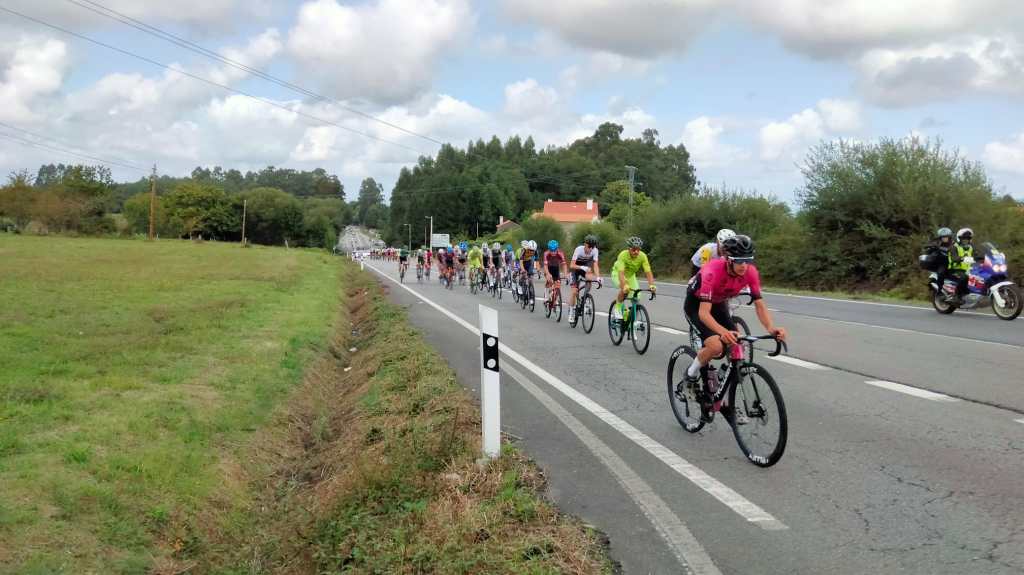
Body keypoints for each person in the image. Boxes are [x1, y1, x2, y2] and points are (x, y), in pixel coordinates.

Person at [682, 235, 787, 393]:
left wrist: (771, 328)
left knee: (737, 345)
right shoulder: (712, 270)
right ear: (728, 259)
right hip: (696, 304)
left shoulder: (750, 272)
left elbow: (759, 304)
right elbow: (704, 314)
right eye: (738, 260)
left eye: (748, 260)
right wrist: (723, 332)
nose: (744, 265)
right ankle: (690, 373)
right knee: (716, 346)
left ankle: (722, 381)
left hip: (719, 303)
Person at [611, 236, 656, 320]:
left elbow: (648, 272)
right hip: (618, 274)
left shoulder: (643, 256)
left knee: (636, 297)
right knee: (625, 290)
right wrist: (624, 285)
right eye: (634, 249)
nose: (636, 252)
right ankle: (617, 308)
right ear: (629, 249)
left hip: (631, 276)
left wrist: (652, 285)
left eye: (638, 249)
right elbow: (621, 273)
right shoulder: (623, 255)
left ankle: (632, 320)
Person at [568, 234, 601, 323]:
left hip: (584, 269)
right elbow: (572, 265)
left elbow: (595, 265)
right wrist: (582, 267)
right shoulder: (579, 249)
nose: (591, 249)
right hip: (575, 269)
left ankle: (584, 298)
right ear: (585, 245)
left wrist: (598, 277)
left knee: (590, 279)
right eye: (589, 246)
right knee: (574, 291)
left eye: (593, 247)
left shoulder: (595, 250)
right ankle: (571, 312)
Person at [947, 228, 976, 300]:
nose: (966, 241)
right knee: (964, 277)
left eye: (967, 239)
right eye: (964, 239)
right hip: (954, 270)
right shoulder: (954, 247)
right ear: (959, 239)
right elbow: (954, 258)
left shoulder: (971, 248)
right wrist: (962, 258)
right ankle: (956, 295)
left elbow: (977, 255)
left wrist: (985, 258)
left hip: (967, 270)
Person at [543, 240, 568, 311]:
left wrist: (565, 274)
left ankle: (555, 299)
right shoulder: (546, 253)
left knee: (558, 284)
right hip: (548, 268)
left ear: (557, 249)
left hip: (556, 268)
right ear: (549, 249)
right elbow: (545, 266)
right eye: (551, 250)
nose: (553, 252)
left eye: (554, 250)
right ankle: (546, 297)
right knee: (549, 281)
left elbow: (564, 264)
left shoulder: (560, 253)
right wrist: (547, 274)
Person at [518, 239, 538, 306]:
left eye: (533, 251)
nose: (532, 252)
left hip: (529, 263)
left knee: (530, 280)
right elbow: (520, 262)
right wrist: (523, 270)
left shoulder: (535, 251)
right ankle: (520, 291)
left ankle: (531, 298)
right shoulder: (524, 250)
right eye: (530, 250)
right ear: (528, 248)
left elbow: (537, 261)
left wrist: (538, 270)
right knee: (521, 276)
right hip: (523, 262)